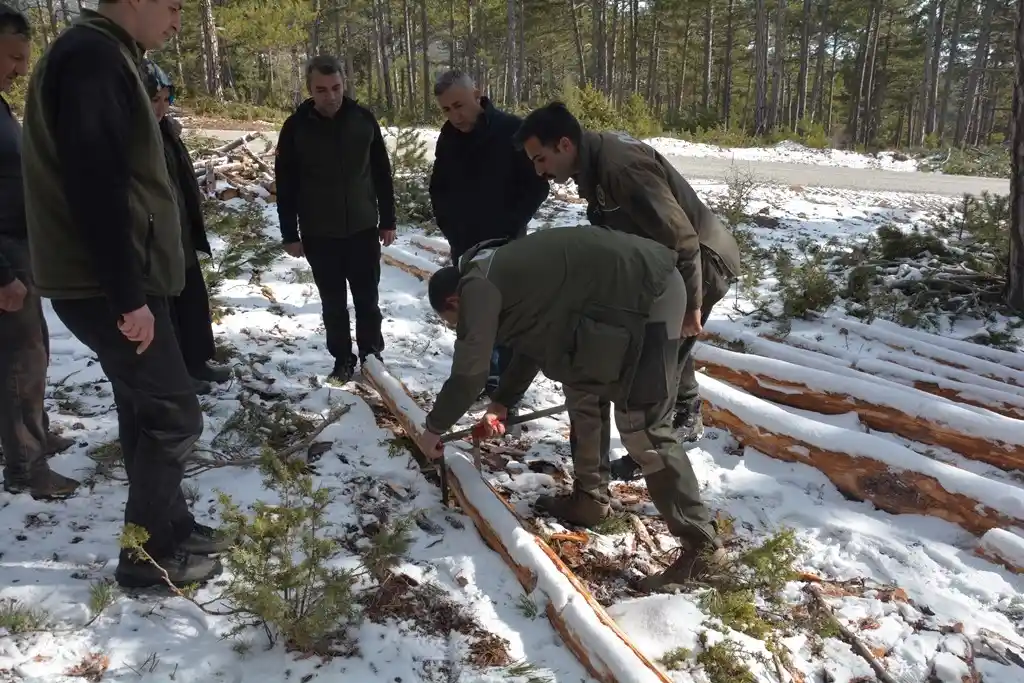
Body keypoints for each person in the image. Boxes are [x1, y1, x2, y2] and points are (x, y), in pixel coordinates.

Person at [21, 0, 229, 588]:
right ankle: (146, 557)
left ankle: (173, 528)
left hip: (121, 279)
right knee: (174, 415)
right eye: (172, 6)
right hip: (107, 282)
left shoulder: (105, 52)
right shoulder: (91, 58)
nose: (178, 21)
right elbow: (96, 182)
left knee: (146, 411)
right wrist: (126, 295)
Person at [418, 226, 726, 589]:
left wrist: (433, 429)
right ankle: (590, 500)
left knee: (642, 427)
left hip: (651, 293)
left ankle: (702, 548)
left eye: (452, 322)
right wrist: (503, 402)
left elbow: (470, 370)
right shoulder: (498, 277)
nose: (459, 327)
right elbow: (532, 345)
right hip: (608, 306)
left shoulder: (478, 286)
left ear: (453, 303)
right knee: (582, 387)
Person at [514, 102, 741, 480]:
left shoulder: (621, 167)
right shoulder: (595, 164)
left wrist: (691, 307)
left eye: (541, 159)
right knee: (669, 348)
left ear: (565, 145)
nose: (539, 171)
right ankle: (685, 415)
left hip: (702, 261)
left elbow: (683, 239)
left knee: (658, 359)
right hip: (667, 263)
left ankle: (655, 448)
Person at [429, 69, 549, 404]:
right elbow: (438, 188)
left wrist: (511, 223)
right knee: (473, 315)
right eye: (447, 110)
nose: (455, 116)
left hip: (506, 243)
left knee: (508, 315)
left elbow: (538, 184)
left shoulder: (512, 131)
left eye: (459, 105)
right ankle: (478, 376)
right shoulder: (448, 137)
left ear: (477, 94)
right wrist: (448, 224)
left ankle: (506, 389)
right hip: (464, 243)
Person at [275, 55, 397, 383]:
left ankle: (372, 355)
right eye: (322, 89)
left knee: (367, 299)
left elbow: (382, 173)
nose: (331, 96)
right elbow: (285, 185)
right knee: (333, 304)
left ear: (344, 83)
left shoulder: (362, 120)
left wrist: (388, 219)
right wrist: (289, 233)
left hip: (362, 229)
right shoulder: (295, 128)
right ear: (310, 89)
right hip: (319, 234)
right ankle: (342, 359)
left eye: (336, 87)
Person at [0, 3, 78, 500]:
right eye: (12, 56)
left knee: (33, 354)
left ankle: (34, 436)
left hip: (19, 249)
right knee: (20, 364)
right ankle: (26, 466)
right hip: (5, 257)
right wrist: (3, 271)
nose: (21, 68)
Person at [142, 58, 231, 396]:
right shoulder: (136, 135)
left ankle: (197, 361)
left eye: (166, 99)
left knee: (192, 300)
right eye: (154, 99)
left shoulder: (166, 132)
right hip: (156, 239)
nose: (162, 107)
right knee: (169, 310)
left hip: (180, 231)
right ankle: (177, 372)